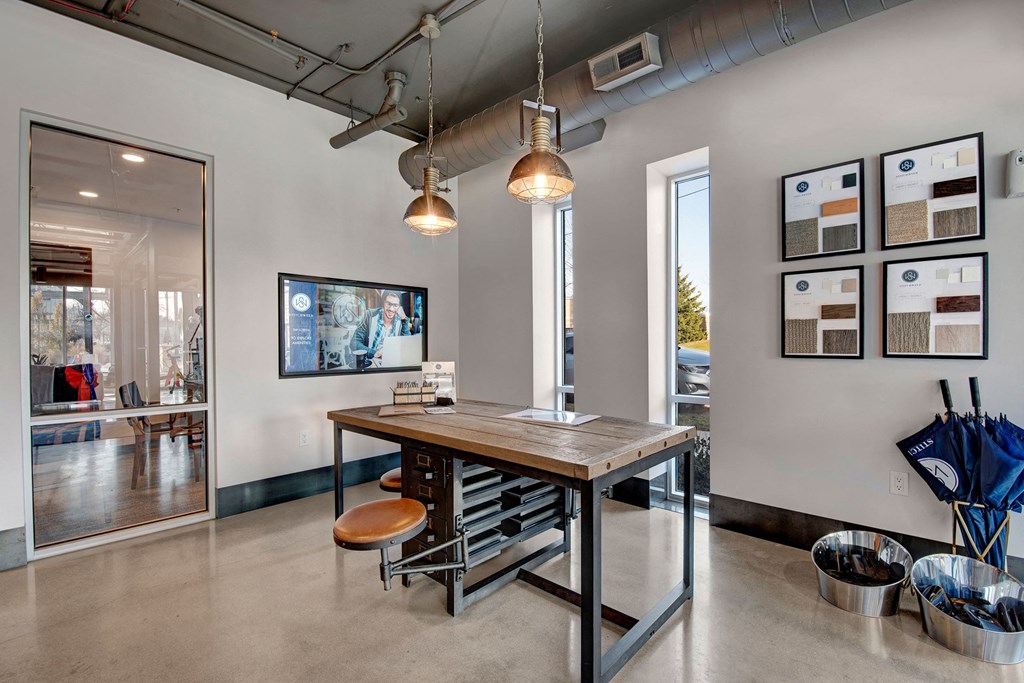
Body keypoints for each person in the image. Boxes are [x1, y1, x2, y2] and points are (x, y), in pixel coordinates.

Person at [351, 291, 408, 364]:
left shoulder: (400, 321)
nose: (391, 308)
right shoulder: (370, 315)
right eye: (388, 304)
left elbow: (406, 346)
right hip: (370, 363)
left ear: (399, 307)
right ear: (383, 303)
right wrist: (374, 353)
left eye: (395, 305)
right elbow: (354, 342)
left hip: (392, 363)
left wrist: (404, 319)